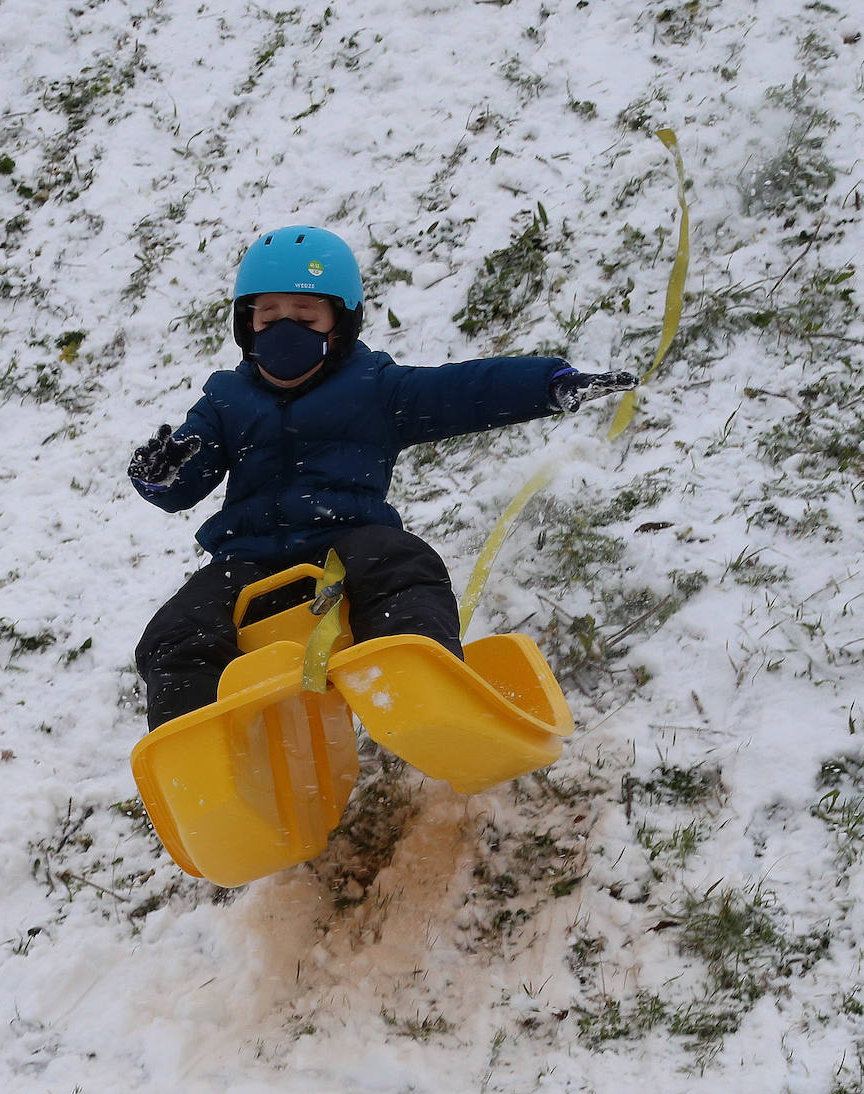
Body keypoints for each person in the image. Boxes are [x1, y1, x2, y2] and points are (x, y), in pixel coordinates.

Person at [129, 225, 636, 730]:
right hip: (248, 563)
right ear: (247, 327)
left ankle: (424, 690)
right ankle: (194, 745)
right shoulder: (225, 401)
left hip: (344, 549)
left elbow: (459, 390)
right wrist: (163, 475)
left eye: (304, 317)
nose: (285, 329)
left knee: (404, 563)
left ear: (339, 326)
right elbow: (186, 481)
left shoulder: (374, 389)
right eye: (269, 316)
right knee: (179, 626)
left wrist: (546, 384)